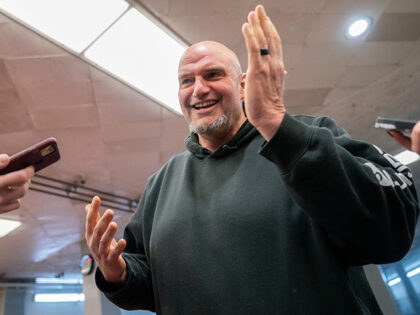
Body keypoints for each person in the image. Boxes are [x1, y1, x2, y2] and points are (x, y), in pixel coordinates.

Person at [85, 5, 419, 314]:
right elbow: (153, 284)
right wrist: (120, 274)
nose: (198, 89)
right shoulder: (161, 184)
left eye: (212, 75)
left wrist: (275, 121)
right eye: (187, 81)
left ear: (243, 85)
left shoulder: (305, 138)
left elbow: (391, 227)